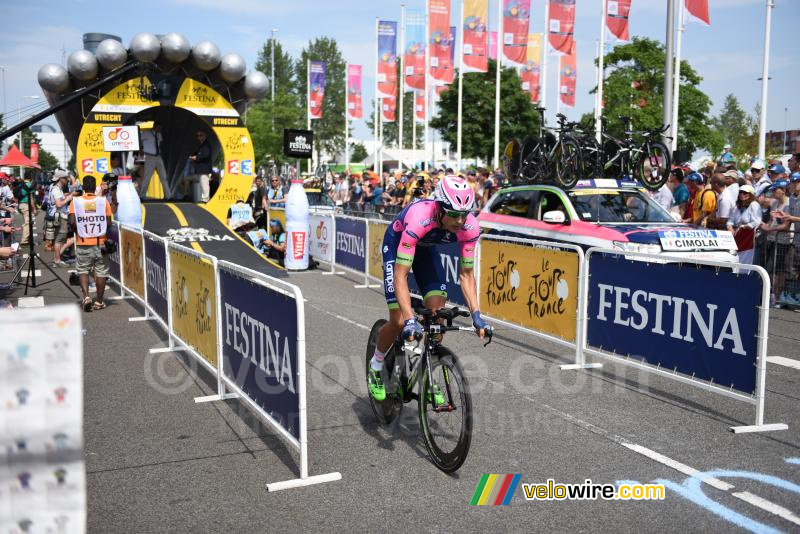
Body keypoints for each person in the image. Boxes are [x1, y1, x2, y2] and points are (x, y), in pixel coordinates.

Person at [367, 175, 492, 402]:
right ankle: (375, 366)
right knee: (398, 321)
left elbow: (466, 275)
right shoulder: (419, 218)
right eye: (454, 214)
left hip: (426, 250)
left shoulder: (470, 227)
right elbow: (401, 275)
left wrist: (477, 316)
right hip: (397, 245)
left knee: (437, 319)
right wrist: (409, 319)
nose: (460, 221)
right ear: (440, 208)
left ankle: (428, 377)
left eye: (465, 214)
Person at [68, 175, 113, 312]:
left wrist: (81, 231)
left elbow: (72, 222)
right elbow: (109, 223)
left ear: (83, 187)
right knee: (101, 272)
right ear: (95, 187)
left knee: (83, 270)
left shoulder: (75, 202)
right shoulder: (103, 201)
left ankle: (86, 297)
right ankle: (99, 302)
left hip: (83, 242)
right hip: (101, 242)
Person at [727, 184, 761, 264]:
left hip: (748, 238)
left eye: (745, 193)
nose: (742, 194)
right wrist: (730, 227)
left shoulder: (754, 205)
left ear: (750, 195)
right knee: (736, 260)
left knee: (746, 260)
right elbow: (730, 220)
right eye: (740, 192)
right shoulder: (737, 206)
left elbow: (756, 222)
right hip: (737, 237)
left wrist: (743, 226)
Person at [50, 170, 75, 267]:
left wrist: (67, 195)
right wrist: (69, 198)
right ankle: (57, 260)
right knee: (59, 239)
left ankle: (57, 259)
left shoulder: (57, 188)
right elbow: (59, 204)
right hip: (60, 216)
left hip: (58, 215)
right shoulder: (56, 189)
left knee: (60, 238)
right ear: (60, 179)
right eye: (65, 178)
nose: (67, 180)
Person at [139, 122, 169, 199]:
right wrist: (141, 149)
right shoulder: (145, 133)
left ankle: (168, 196)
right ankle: (142, 196)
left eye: (160, 128)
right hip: (150, 156)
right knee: (147, 177)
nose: (160, 130)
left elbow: (160, 144)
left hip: (158, 157)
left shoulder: (159, 134)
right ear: (155, 127)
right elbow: (139, 141)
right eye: (159, 128)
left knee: (163, 177)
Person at [189, 130, 212, 202]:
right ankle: (204, 198)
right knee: (202, 183)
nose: (199, 137)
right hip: (201, 168)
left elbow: (205, 155)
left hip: (204, 168)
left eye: (200, 135)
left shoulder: (206, 145)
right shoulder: (202, 145)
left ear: (204, 136)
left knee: (204, 183)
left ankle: (205, 199)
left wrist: (196, 157)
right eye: (197, 136)